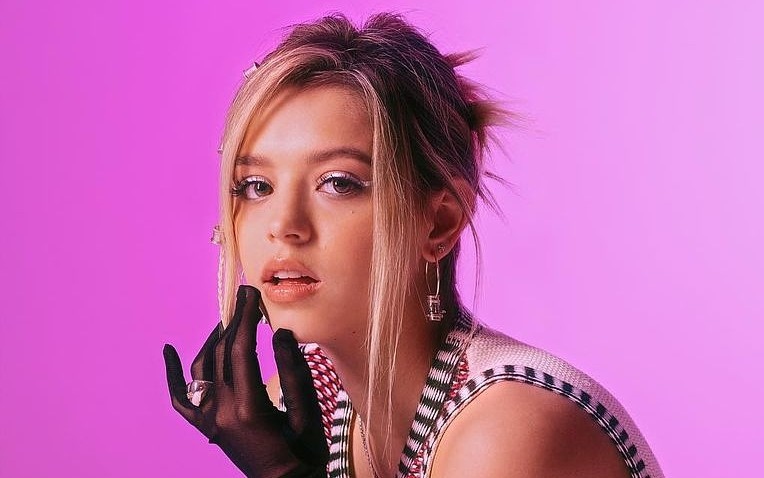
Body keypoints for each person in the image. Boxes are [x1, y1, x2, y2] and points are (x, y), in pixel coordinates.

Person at [163, 12, 664, 478]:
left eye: (338, 183)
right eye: (256, 186)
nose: (283, 225)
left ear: (439, 223)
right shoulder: (312, 403)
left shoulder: (507, 429)